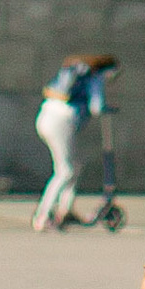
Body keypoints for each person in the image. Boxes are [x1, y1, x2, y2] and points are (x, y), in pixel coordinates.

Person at [35, 50, 117, 228]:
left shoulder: (73, 71)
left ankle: (65, 210)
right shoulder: (96, 76)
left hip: (46, 115)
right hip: (63, 120)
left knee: (73, 167)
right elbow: (96, 106)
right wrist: (108, 109)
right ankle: (43, 215)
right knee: (65, 171)